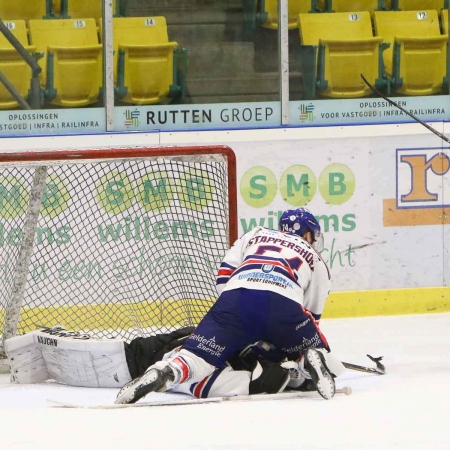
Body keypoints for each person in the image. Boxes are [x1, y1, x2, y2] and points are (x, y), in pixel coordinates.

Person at [115, 207, 338, 404]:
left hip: (234, 300)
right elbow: (312, 314)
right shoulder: (315, 258)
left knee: (195, 358)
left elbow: (224, 278)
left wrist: (236, 324)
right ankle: (307, 358)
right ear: (308, 234)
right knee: (318, 355)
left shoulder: (256, 234)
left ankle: (166, 371)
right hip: (284, 305)